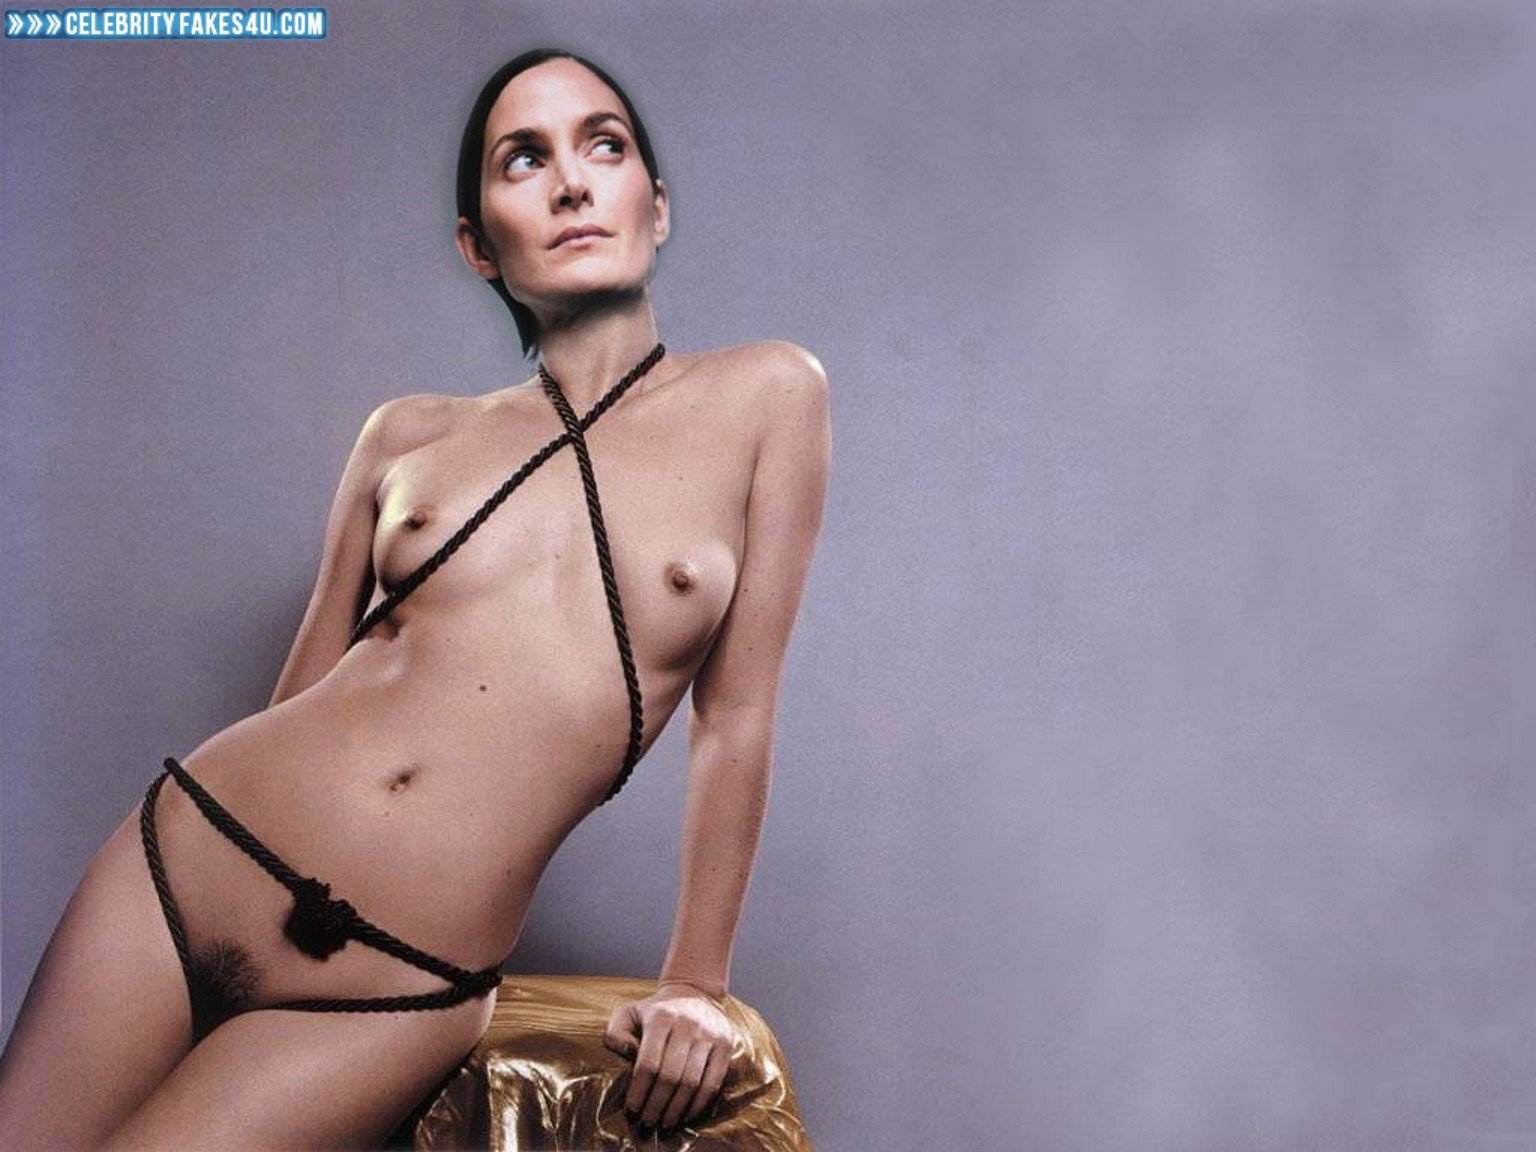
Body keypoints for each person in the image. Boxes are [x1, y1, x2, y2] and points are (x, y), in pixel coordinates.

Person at [0, 46, 831, 1148]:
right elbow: (302, 690)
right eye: (523, 158)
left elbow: (736, 719)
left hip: (397, 979)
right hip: (192, 853)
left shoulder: (768, 396)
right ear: (478, 244)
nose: (570, 183)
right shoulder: (406, 433)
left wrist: (694, 980)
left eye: (604, 145)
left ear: (657, 204)